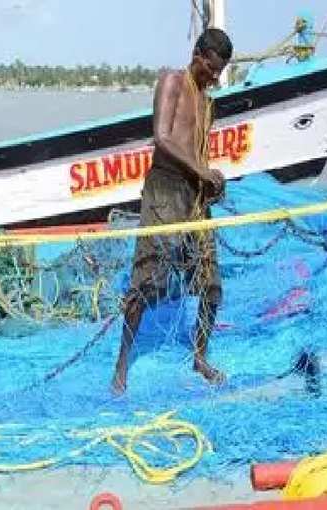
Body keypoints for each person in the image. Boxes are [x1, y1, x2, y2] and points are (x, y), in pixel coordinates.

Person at [111, 28, 233, 395]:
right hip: (165, 190)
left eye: (219, 72)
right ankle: (121, 367)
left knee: (211, 286)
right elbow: (162, 139)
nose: (214, 77)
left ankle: (199, 357)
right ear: (198, 55)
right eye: (211, 69)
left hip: (195, 198)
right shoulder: (173, 82)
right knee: (148, 281)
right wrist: (200, 171)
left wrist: (211, 182)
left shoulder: (208, 102)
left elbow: (199, 153)